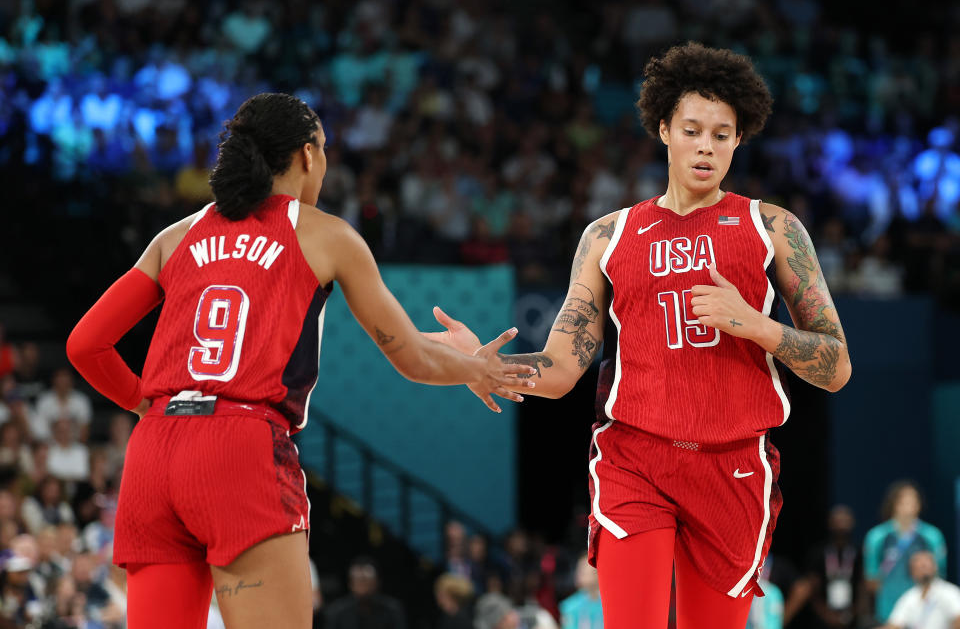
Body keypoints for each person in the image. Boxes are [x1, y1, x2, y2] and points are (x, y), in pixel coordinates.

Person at [65, 92, 535, 629]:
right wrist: (478, 368)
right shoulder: (324, 233)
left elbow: (85, 345)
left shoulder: (176, 236)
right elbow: (411, 359)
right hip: (239, 449)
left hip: (153, 454)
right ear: (307, 155)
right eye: (326, 150)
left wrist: (147, 404)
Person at [428, 42, 851, 629]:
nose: (706, 146)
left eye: (722, 135)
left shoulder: (774, 227)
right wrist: (482, 364)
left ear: (738, 141)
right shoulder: (608, 235)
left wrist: (757, 326)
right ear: (663, 129)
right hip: (637, 460)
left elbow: (836, 366)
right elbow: (561, 368)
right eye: (692, 129)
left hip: (732, 466)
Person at [864, 481, 947, 624]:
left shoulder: (932, 536)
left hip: (923, 613)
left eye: (913, 500)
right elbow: (871, 579)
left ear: (919, 505)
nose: (909, 505)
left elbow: (939, 576)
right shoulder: (877, 537)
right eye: (903, 501)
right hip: (887, 610)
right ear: (894, 504)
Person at [806, 505, 863, 628]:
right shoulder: (818, 553)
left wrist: (852, 613)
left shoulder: (859, 553)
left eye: (845, 520)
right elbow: (812, 589)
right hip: (823, 618)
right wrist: (826, 615)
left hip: (853, 618)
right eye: (837, 521)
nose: (841, 525)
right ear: (829, 523)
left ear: (852, 523)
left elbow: (863, 587)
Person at [324, 557, 406, 629]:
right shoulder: (336, 612)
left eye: (366, 581)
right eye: (358, 581)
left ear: (377, 582)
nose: (362, 586)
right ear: (350, 584)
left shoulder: (392, 610)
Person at [885, 551, 960, 629]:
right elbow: (894, 624)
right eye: (919, 567)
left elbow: (958, 619)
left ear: (935, 567)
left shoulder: (949, 592)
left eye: (925, 566)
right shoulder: (909, 597)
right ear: (912, 572)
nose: (923, 570)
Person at [559, 554, 603, 629]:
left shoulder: (611, 605)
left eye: (583, 571)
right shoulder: (570, 606)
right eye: (579, 570)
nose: (578, 574)